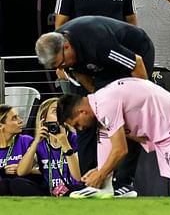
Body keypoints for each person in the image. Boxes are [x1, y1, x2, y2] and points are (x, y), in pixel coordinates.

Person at [35, 15, 155, 197]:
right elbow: (79, 74)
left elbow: (136, 63)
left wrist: (143, 104)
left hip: (134, 54)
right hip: (100, 67)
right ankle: (90, 181)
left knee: (130, 117)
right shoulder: (60, 47)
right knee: (86, 119)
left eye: (61, 63)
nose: (62, 67)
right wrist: (98, 104)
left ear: (66, 47)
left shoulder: (98, 44)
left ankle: (124, 183)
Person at [16, 98, 81, 196]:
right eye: (55, 111)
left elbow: (77, 177)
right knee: (16, 183)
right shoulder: (40, 143)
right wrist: (36, 142)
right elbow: (21, 172)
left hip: (73, 190)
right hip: (49, 191)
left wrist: (65, 143)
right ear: (44, 118)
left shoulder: (75, 139)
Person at [0, 105, 44, 196]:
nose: (20, 121)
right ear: (1, 126)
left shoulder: (26, 141)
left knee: (16, 183)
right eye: (14, 118)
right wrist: (2, 171)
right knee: (3, 184)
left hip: (26, 185)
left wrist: (25, 170)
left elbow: (44, 169)